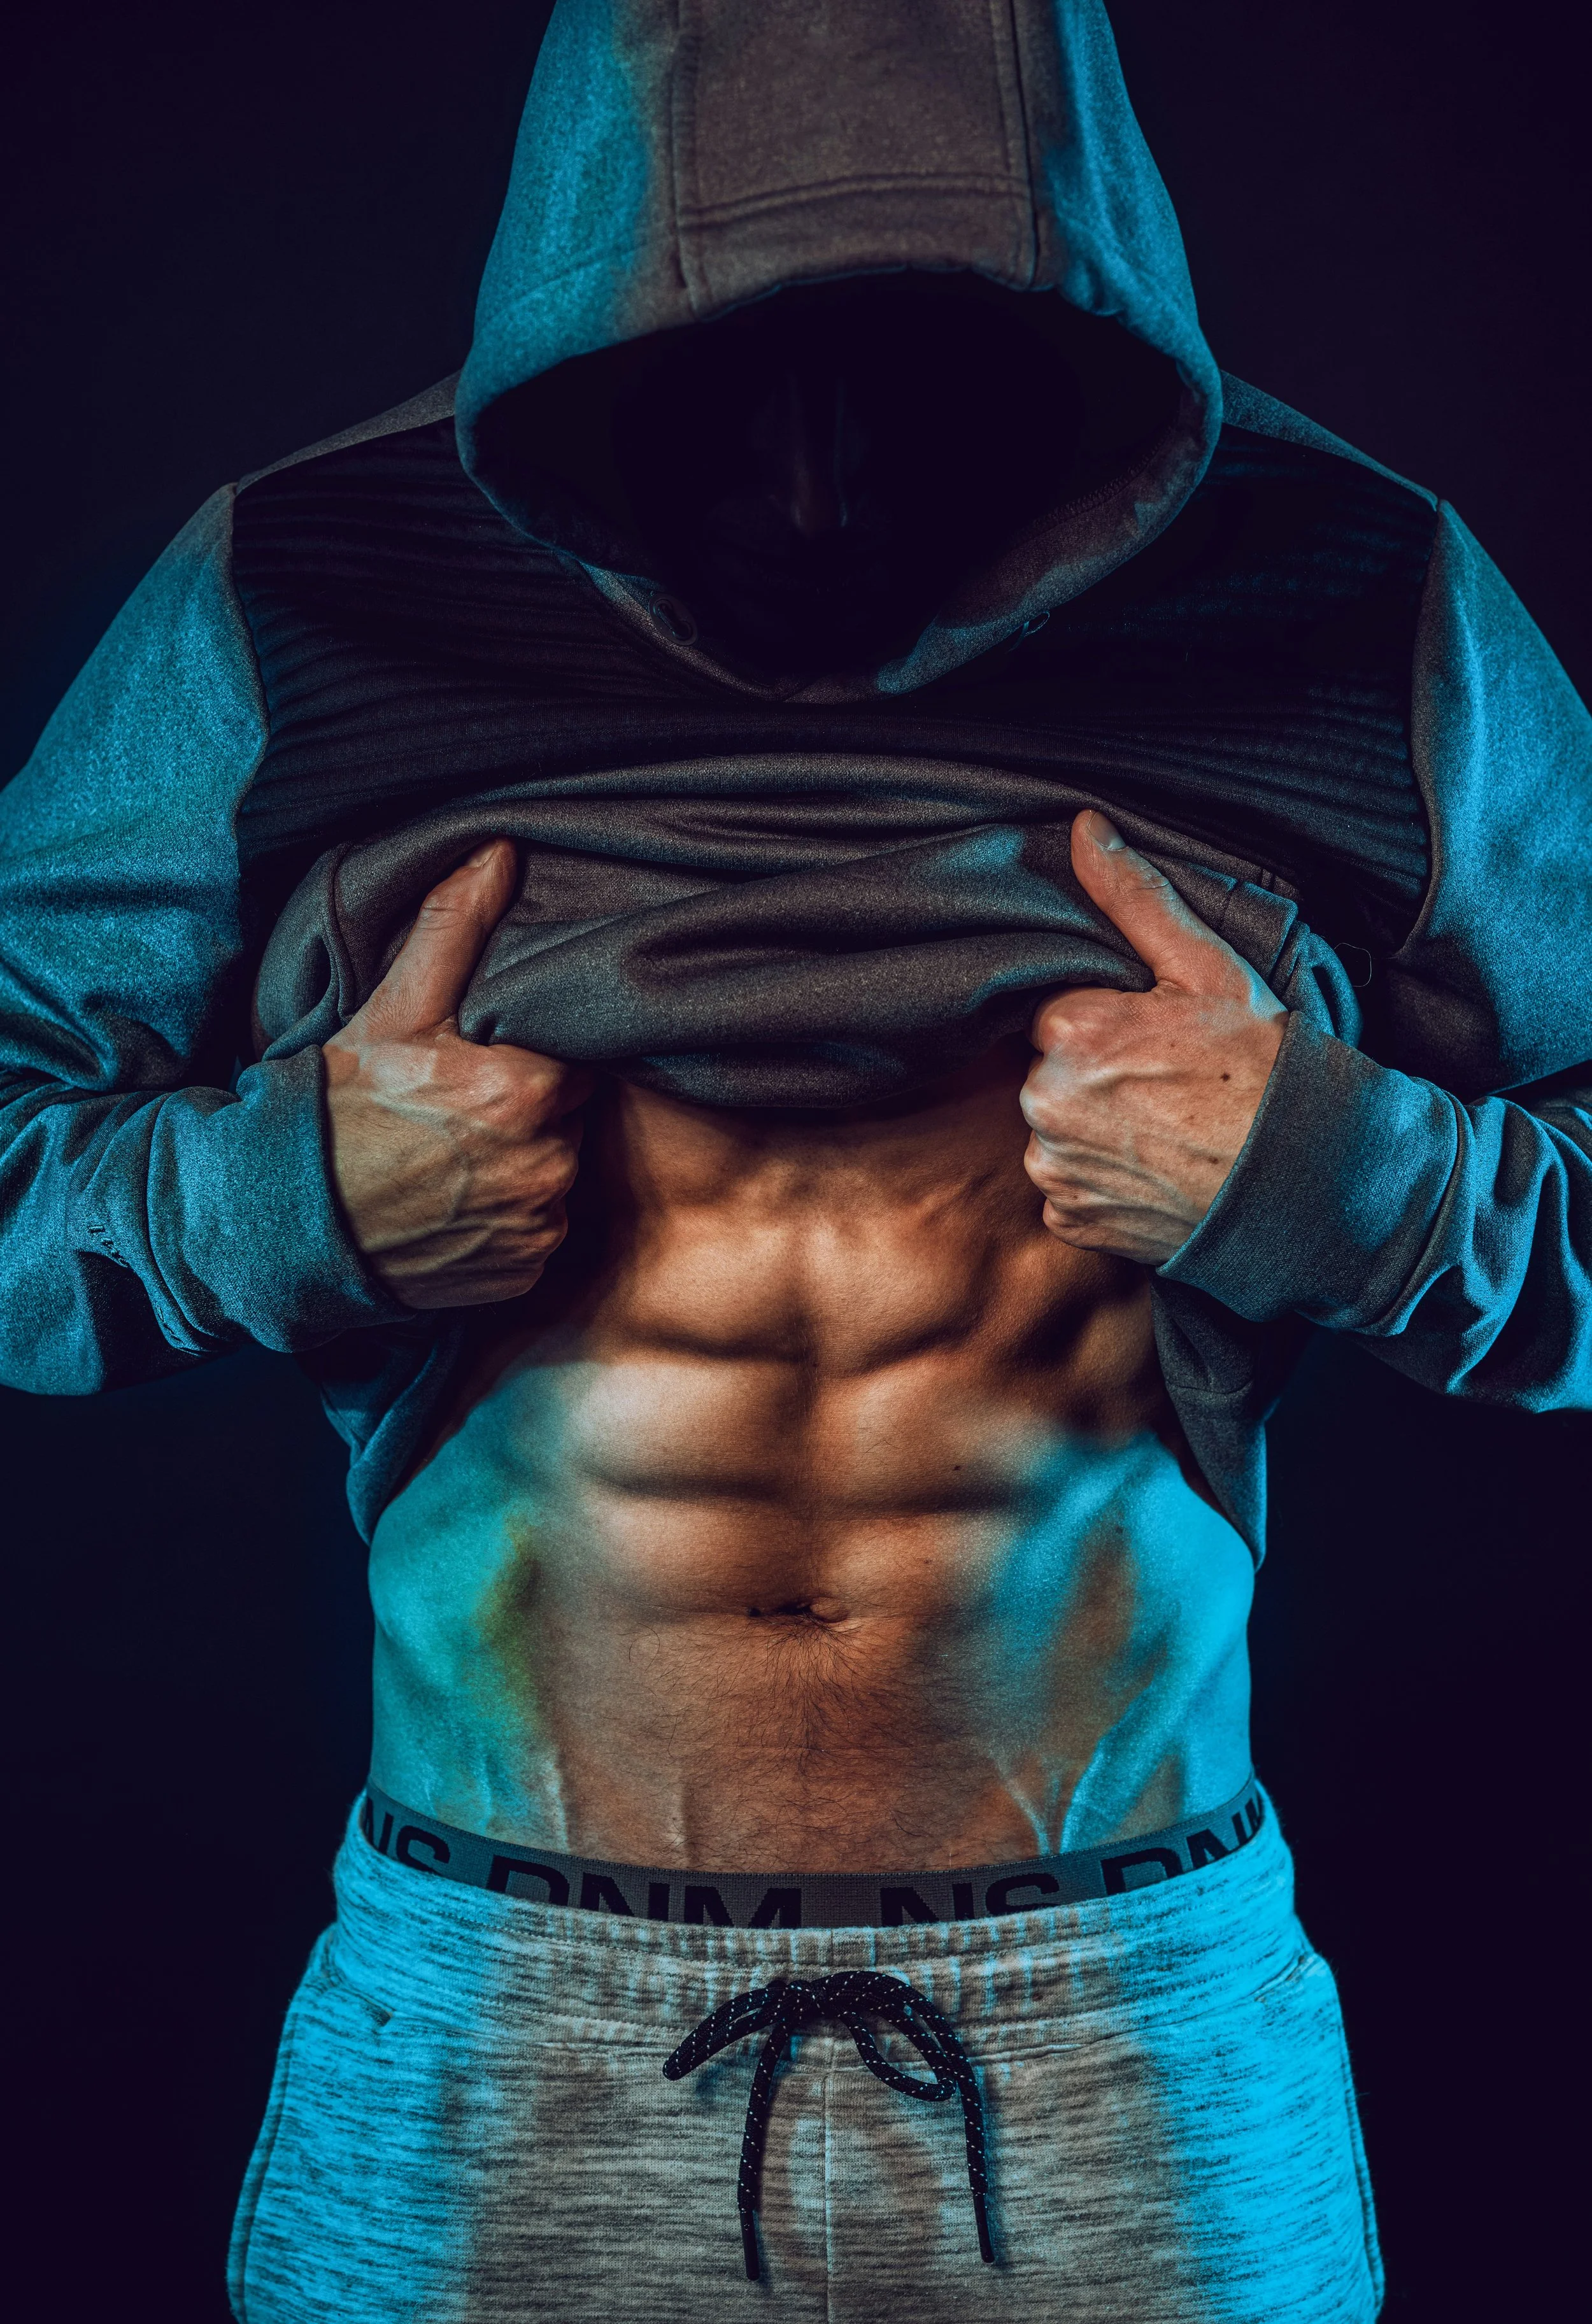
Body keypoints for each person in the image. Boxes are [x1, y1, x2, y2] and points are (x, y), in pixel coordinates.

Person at [1, 3, 1588, 2318]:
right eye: (724, 381)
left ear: (1089, 319)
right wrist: (281, 1193)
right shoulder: (307, 590)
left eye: (923, 373)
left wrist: (1335, 1171)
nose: (825, 488)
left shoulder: (1352, 602)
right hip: (499, 2022)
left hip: (1121, 2019)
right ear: (580, 302)